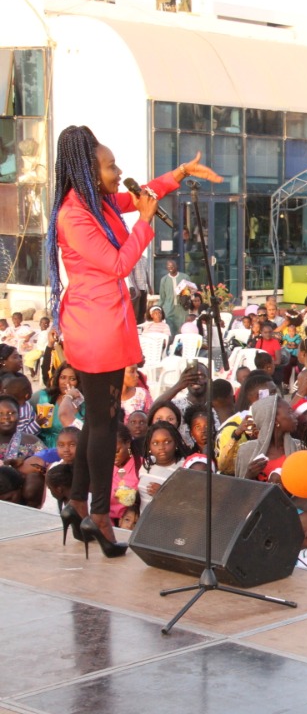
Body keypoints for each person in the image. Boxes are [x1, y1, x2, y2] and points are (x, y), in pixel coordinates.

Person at [46, 125, 220, 555]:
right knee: (106, 421)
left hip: (104, 317)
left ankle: (77, 502)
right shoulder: (74, 214)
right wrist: (143, 221)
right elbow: (119, 263)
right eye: (110, 166)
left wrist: (179, 173)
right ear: (88, 171)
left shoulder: (96, 200)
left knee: (100, 419)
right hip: (94, 323)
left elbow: (136, 193)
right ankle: (101, 514)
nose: (118, 171)